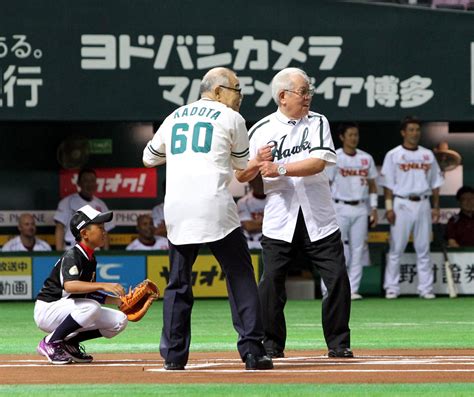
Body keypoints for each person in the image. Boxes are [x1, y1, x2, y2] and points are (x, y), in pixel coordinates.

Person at [142, 67, 273, 371]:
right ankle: (253, 352)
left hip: (176, 209)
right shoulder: (232, 118)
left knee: (177, 283)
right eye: (236, 89)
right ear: (217, 91)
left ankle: (174, 358)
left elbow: (148, 158)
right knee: (240, 275)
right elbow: (241, 167)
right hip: (214, 206)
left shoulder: (175, 116)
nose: (240, 96)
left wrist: (178, 155)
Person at [235, 67, 352, 359]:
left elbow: (318, 163)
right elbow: (241, 176)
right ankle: (272, 343)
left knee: (337, 278)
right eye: (303, 91)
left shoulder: (318, 121)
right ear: (283, 96)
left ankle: (338, 343)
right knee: (271, 282)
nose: (307, 96)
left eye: (309, 91)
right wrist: (257, 163)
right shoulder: (261, 128)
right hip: (280, 217)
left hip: (319, 215)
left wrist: (279, 167)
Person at [34, 204, 128, 365]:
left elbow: (87, 294)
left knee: (119, 320)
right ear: (84, 233)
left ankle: (68, 343)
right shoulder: (73, 255)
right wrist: (103, 285)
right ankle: (50, 342)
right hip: (49, 309)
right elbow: (70, 286)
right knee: (91, 307)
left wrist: (117, 301)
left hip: (69, 308)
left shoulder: (90, 258)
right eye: (99, 227)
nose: (104, 231)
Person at [380, 116, 444, 299]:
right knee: (396, 248)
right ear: (403, 132)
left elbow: (435, 183)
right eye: (411, 130)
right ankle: (392, 287)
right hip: (401, 203)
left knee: (423, 248)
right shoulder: (394, 154)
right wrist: (389, 208)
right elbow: (387, 185)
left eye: (417, 130)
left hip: (423, 202)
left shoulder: (427, 155)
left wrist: (436, 207)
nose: (414, 133)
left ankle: (426, 289)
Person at [325, 122, 378, 300]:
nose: (354, 138)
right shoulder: (335, 157)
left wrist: (374, 208)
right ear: (342, 137)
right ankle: (329, 288)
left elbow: (372, 184)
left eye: (356, 135)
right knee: (334, 248)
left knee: (358, 249)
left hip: (361, 207)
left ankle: (352, 289)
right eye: (350, 135)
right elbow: (327, 184)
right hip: (339, 206)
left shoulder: (366, 158)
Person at [54, 168, 115, 251]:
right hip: (72, 248)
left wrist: (106, 253)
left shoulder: (101, 204)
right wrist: (58, 252)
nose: (90, 184)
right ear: (79, 183)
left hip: (94, 250)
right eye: (86, 181)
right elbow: (60, 228)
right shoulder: (67, 202)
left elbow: (105, 231)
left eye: (92, 181)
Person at [237, 175, 266, 250]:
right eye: (257, 181)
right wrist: (269, 223)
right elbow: (249, 226)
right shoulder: (243, 202)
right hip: (251, 242)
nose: (260, 183)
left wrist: (258, 223)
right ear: (251, 182)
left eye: (262, 181)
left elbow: (279, 224)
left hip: (269, 240)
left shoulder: (275, 200)